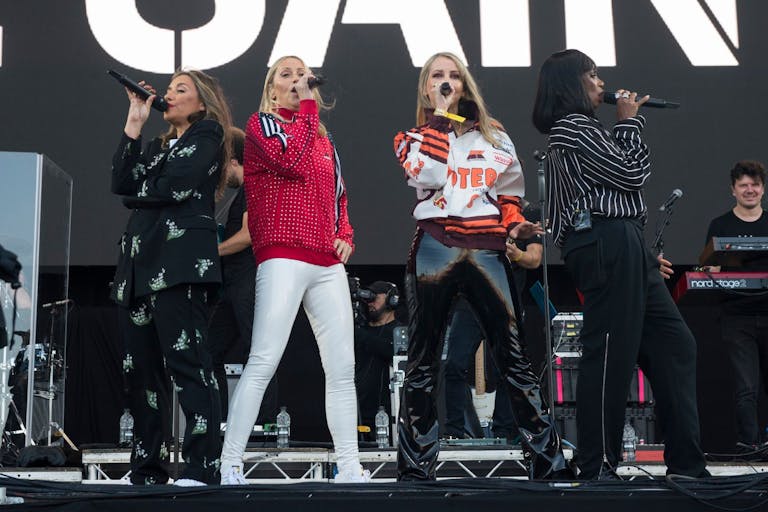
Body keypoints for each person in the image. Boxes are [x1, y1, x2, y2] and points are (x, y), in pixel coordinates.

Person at [392, 51, 570, 480]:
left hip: (488, 248)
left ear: (467, 84)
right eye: (438, 76)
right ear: (426, 86)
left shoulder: (497, 137)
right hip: (436, 245)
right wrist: (442, 119)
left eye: (454, 76)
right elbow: (430, 177)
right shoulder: (410, 138)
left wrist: (518, 226)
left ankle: (547, 462)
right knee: (423, 360)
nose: (447, 82)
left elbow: (508, 196)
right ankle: (416, 468)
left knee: (514, 358)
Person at [532, 49, 708, 479]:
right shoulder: (572, 128)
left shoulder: (585, 130)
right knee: (610, 354)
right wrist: (629, 121)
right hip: (603, 241)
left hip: (622, 242)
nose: (601, 82)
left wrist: (642, 254)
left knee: (675, 345)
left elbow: (620, 192)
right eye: (592, 75)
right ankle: (596, 463)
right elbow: (631, 173)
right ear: (572, 84)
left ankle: (686, 463)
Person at [219, 55, 369, 484]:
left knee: (342, 366)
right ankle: (231, 461)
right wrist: (306, 109)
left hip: (325, 261)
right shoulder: (261, 126)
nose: (296, 79)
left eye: (302, 74)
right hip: (283, 254)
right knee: (263, 358)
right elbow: (290, 161)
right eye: (286, 74)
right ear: (271, 90)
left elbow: (339, 194)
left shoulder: (324, 139)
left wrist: (345, 233)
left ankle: (350, 465)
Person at [110, 69, 233, 486]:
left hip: (180, 266)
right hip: (139, 265)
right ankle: (147, 468)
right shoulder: (162, 145)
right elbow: (121, 181)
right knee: (140, 373)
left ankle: (202, 467)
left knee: (189, 366)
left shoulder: (209, 134)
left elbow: (176, 186)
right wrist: (134, 121)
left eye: (181, 89)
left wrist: (143, 188)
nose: (168, 95)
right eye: (168, 89)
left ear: (202, 103)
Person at [442, 202, 543, 441]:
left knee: (508, 368)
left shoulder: (527, 213)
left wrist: (514, 253)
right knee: (454, 364)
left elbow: (535, 259)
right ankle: (454, 432)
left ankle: (503, 431)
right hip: (469, 301)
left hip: (505, 301)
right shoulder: (471, 208)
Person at [208, 127, 277, 424]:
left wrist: (212, 252)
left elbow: (248, 236)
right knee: (209, 351)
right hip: (233, 283)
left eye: (223, 167)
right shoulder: (243, 192)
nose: (222, 176)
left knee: (258, 352)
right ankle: (218, 423)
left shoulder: (254, 186)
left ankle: (268, 425)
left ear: (233, 161)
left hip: (249, 280)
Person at [704, 160, 768, 451]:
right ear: (733, 190)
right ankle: (749, 447)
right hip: (736, 316)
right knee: (746, 389)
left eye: (754, 184)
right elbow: (711, 270)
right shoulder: (720, 225)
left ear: (763, 188)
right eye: (743, 185)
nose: (750, 190)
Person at [354, 281, 404, 438]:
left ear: (391, 300)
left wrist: (358, 333)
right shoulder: (360, 330)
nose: (370, 302)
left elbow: (392, 352)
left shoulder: (399, 332)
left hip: (387, 414)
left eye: (375, 297)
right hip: (357, 409)